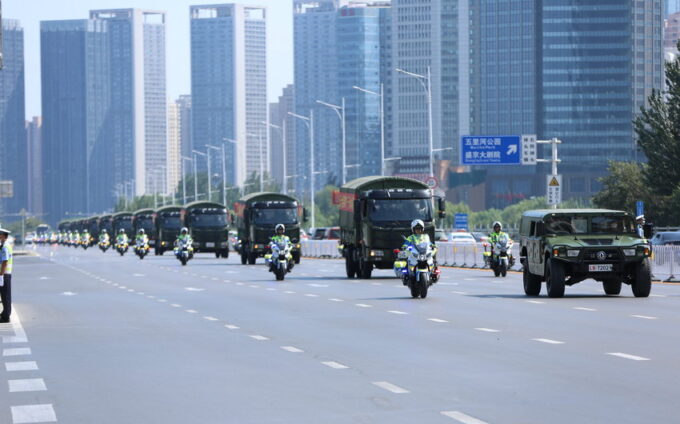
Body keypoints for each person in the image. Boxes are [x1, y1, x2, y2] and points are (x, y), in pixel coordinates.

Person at [401, 219, 438, 284]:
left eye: (420, 228)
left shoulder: (426, 236)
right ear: (413, 229)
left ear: (422, 229)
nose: (418, 230)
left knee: (433, 259)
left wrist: (433, 245)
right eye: (417, 229)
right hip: (414, 252)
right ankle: (405, 275)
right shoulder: (411, 237)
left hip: (423, 252)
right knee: (407, 259)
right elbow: (406, 243)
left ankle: (434, 272)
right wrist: (404, 246)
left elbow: (429, 243)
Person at [0, 227, 13, 323]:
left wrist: (1, 275)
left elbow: (5, 262)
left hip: (4, 274)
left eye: (0, 235)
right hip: (5, 274)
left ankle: (6, 316)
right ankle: (5, 314)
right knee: (5, 295)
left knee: (5, 296)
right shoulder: (5, 245)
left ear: (4, 236)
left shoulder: (5, 247)